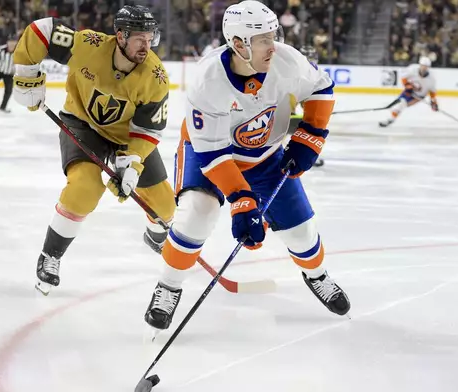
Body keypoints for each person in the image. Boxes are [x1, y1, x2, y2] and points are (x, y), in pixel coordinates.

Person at [143, 0, 351, 332]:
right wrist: (242, 200)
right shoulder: (207, 81)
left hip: (265, 154)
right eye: (264, 39)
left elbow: (320, 88)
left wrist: (311, 135)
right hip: (208, 153)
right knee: (198, 213)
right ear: (239, 44)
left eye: (274, 34)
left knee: (302, 233)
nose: (275, 44)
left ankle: (317, 275)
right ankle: (168, 286)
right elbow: (212, 154)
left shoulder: (287, 60)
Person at [11, 5, 176, 295]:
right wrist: (28, 75)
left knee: (165, 206)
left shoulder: (156, 77)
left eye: (150, 39)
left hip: (128, 136)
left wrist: (132, 165)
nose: (146, 46)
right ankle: (51, 256)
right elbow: (41, 30)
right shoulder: (89, 45)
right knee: (85, 189)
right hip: (83, 124)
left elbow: (148, 130)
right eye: (140, 38)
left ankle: (155, 237)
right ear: (120, 36)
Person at [287, 45, 324, 167]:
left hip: (295, 100)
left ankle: (308, 156)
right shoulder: (290, 74)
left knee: (312, 128)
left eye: (312, 59)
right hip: (284, 103)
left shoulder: (315, 76)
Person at [379, 56, 438, 127]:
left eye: (426, 66)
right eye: (423, 66)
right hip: (409, 91)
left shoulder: (431, 79)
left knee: (401, 104)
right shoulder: (413, 69)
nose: (424, 68)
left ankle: (391, 119)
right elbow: (403, 77)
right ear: (420, 65)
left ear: (429, 67)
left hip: (418, 96)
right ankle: (391, 119)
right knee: (399, 105)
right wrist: (407, 85)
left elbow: (432, 92)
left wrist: (434, 102)